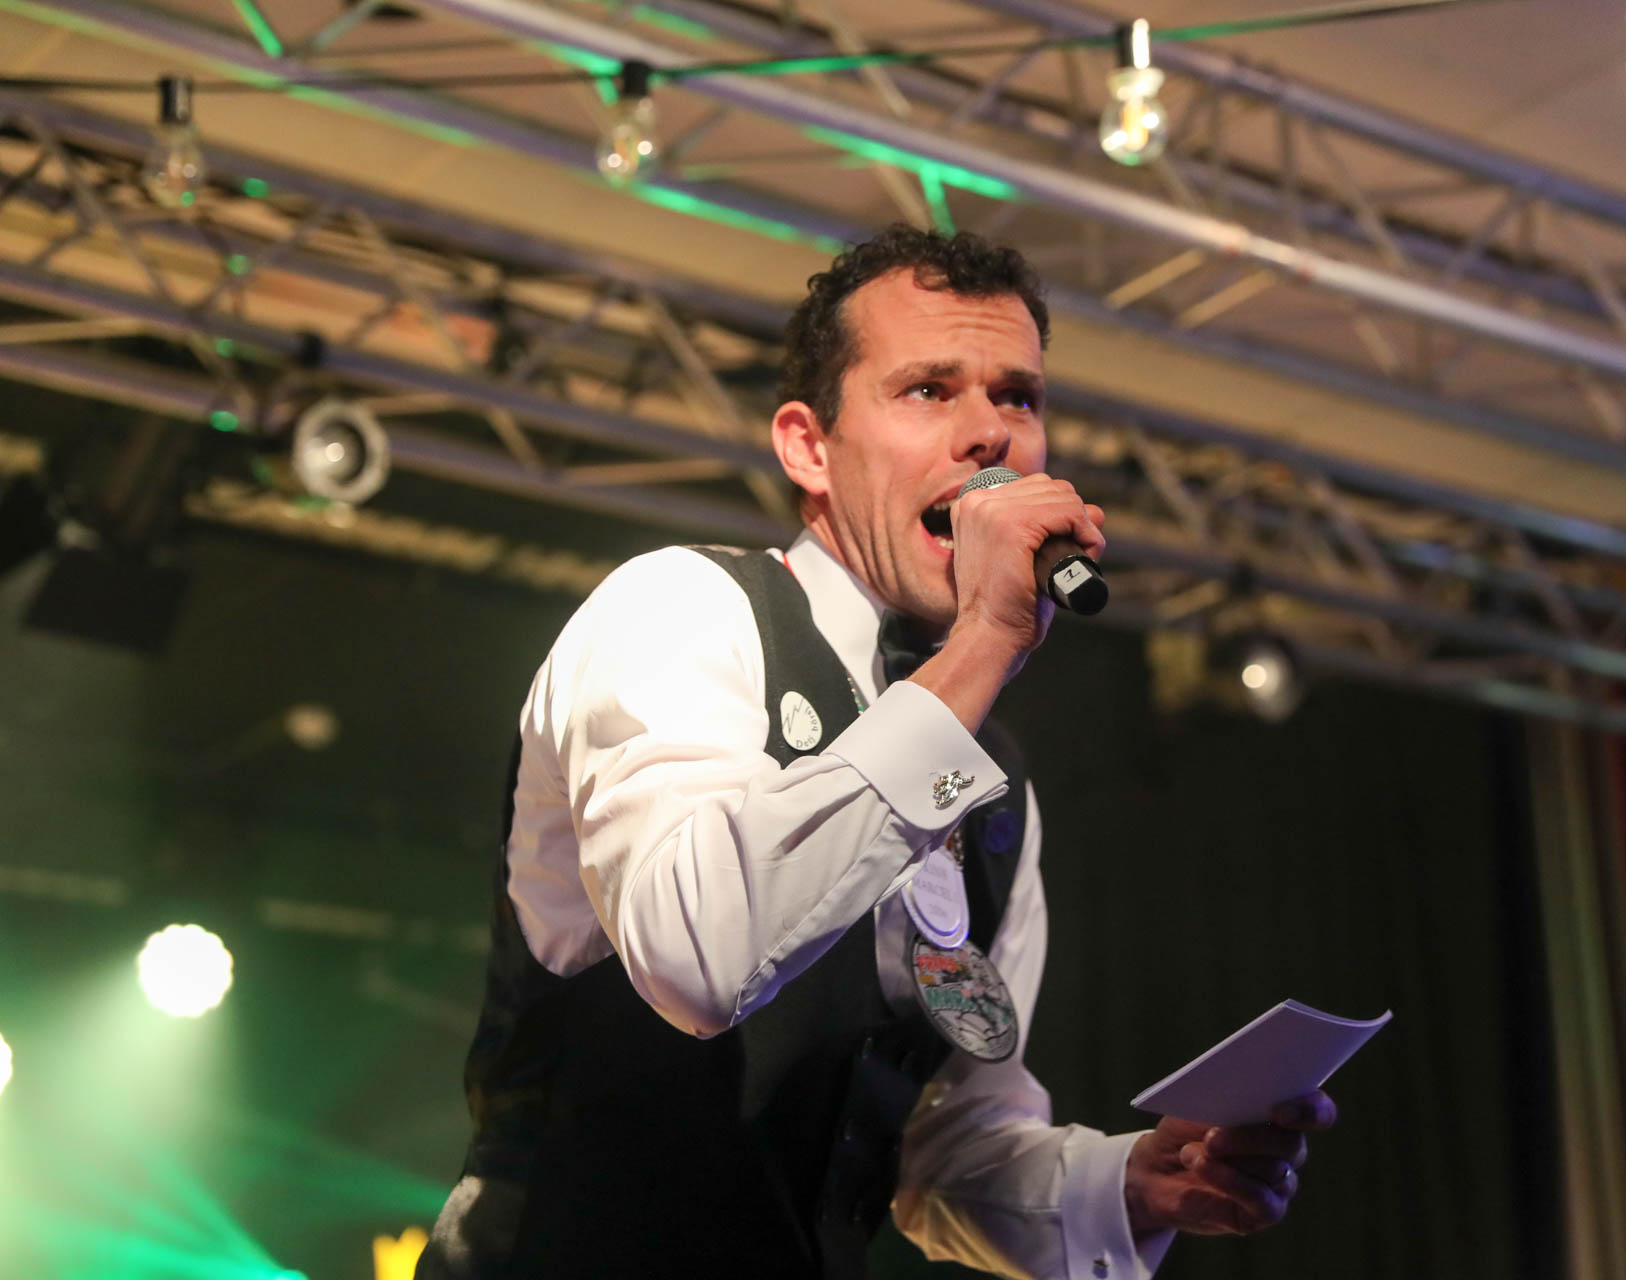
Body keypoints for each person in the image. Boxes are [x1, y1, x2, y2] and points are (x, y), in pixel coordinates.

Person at [417, 226, 1335, 1279]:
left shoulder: (992, 786)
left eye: (1017, 397)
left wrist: (1133, 1183)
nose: (987, 433)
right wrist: (986, 641)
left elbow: (942, 1154)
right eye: (928, 390)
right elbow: (696, 956)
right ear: (809, 446)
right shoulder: (683, 608)